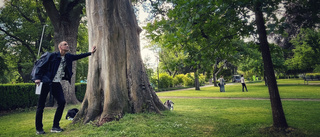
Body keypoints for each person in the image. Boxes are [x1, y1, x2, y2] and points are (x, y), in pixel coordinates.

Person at [33, 41, 96, 135]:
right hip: (46, 82)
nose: (67, 45)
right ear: (60, 47)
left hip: (56, 83)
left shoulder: (68, 57)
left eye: (67, 44)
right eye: (65, 44)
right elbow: (40, 66)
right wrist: (37, 78)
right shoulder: (52, 56)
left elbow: (78, 56)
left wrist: (90, 52)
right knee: (41, 105)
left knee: (62, 102)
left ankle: (55, 126)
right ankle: (39, 129)